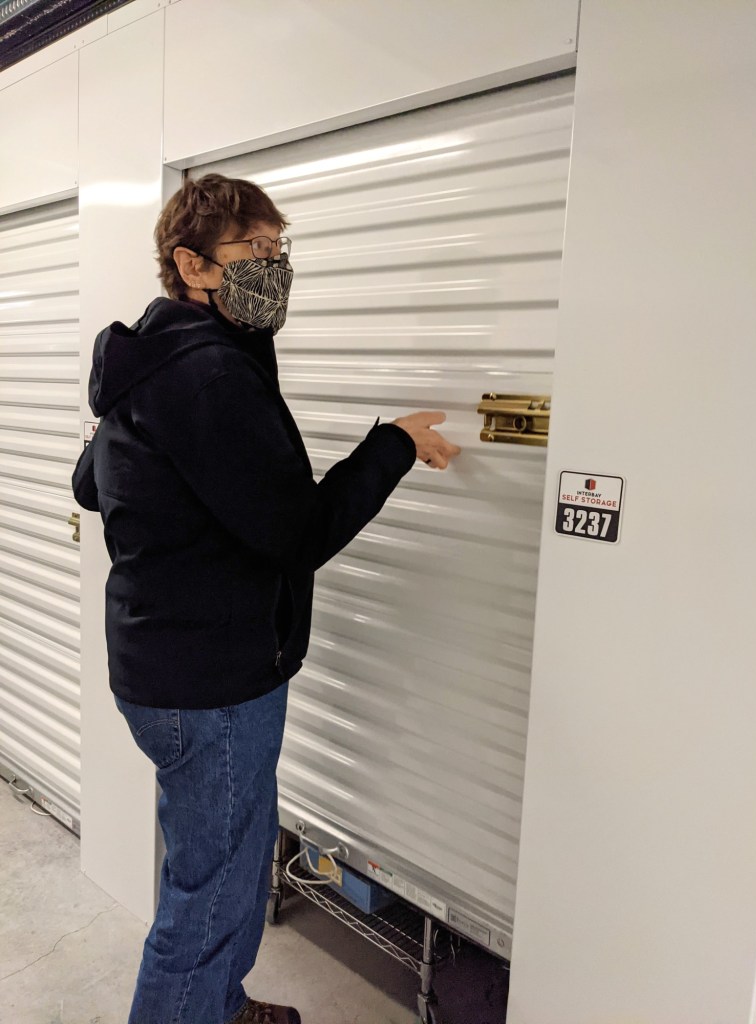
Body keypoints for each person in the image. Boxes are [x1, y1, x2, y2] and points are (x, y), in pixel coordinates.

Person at [72, 173, 461, 1024]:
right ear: (193, 265)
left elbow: (89, 485)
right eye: (254, 249)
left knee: (233, 863)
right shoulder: (207, 374)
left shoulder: (151, 356)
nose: (275, 267)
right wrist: (392, 445)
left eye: (280, 250)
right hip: (210, 686)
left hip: (168, 668)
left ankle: (220, 1005)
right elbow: (298, 531)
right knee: (208, 897)